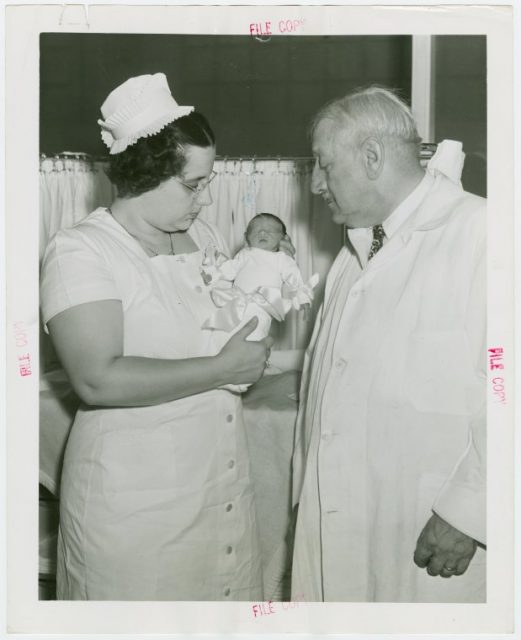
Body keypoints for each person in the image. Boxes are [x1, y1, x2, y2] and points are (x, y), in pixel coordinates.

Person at [40, 72, 275, 601]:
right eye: (193, 185)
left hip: (218, 489)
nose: (204, 200)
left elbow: (229, 329)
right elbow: (97, 379)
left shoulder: (204, 237)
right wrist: (221, 370)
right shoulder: (81, 250)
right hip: (134, 509)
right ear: (145, 174)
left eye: (207, 182)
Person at [291, 86, 486, 603]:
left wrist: (469, 511)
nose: (315, 184)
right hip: (343, 519)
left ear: (372, 157)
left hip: (433, 531)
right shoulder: (352, 255)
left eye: (324, 165)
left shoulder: (483, 233)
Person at [202, 213, 318, 342]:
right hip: (235, 302)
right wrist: (212, 275)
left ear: (283, 238)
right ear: (246, 238)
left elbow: (294, 277)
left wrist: (302, 298)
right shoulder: (244, 254)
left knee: (255, 336)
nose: (262, 232)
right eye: (256, 230)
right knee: (222, 337)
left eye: (270, 230)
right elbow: (230, 269)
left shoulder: (281, 259)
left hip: (261, 306)